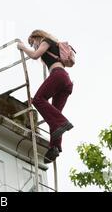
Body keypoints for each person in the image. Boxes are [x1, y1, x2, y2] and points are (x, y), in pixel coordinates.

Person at [17, 29, 74, 163]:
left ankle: (62, 122)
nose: (34, 46)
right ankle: (55, 147)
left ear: (37, 37)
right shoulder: (53, 47)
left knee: (37, 99)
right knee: (53, 112)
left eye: (32, 42)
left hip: (58, 75)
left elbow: (35, 55)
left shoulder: (46, 41)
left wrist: (23, 47)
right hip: (66, 81)